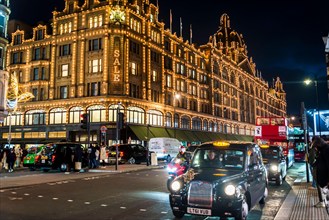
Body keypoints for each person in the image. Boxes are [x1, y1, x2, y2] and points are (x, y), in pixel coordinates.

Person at [311, 136, 329, 208]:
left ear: (318, 144)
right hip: (323, 181)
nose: (315, 149)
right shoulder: (322, 150)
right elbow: (319, 162)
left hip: (326, 181)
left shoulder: (327, 150)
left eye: (316, 147)